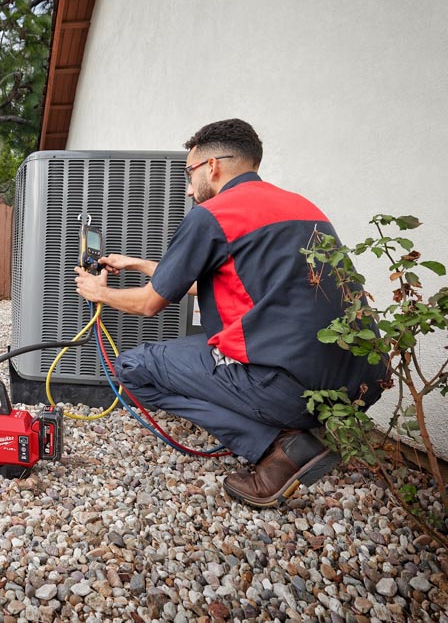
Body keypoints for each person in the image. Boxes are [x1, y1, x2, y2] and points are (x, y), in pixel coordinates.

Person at [73, 119, 386, 508]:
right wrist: (138, 264)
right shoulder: (302, 207)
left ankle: (280, 449)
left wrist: (97, 292)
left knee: (134, 368)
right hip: (360, 385)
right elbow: (213, 278)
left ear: (212, 167)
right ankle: (285, 429)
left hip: (287, 388)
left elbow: (150, 305)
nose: (189, 188)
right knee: (203, 352)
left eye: (189, 173)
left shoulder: (213, 214)